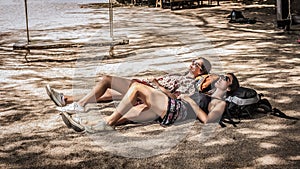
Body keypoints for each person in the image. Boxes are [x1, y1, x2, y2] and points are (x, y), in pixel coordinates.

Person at [61, 73, 240, 133]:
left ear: (229, 89)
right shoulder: (205, 91)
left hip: (177, 110)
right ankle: (88, 126)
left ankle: (106, 123)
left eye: (226, 79)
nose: (222, 78)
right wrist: (163, 89)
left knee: (137, 89)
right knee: (128, 113)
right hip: (172, 105)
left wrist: (190, 102)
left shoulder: (219, 103)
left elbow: (208, 121)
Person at [46, 57, 212, 114]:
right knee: (111, 92)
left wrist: (156, 85)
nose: (191, 64)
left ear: (201, 71)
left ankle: (79, 105)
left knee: (106, 80)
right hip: (146, 86)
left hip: (148, 92)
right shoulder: (183, 75)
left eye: (196, 64)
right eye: (192, 61)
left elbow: (175, 98)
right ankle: (65, 99)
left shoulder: (191, 84)